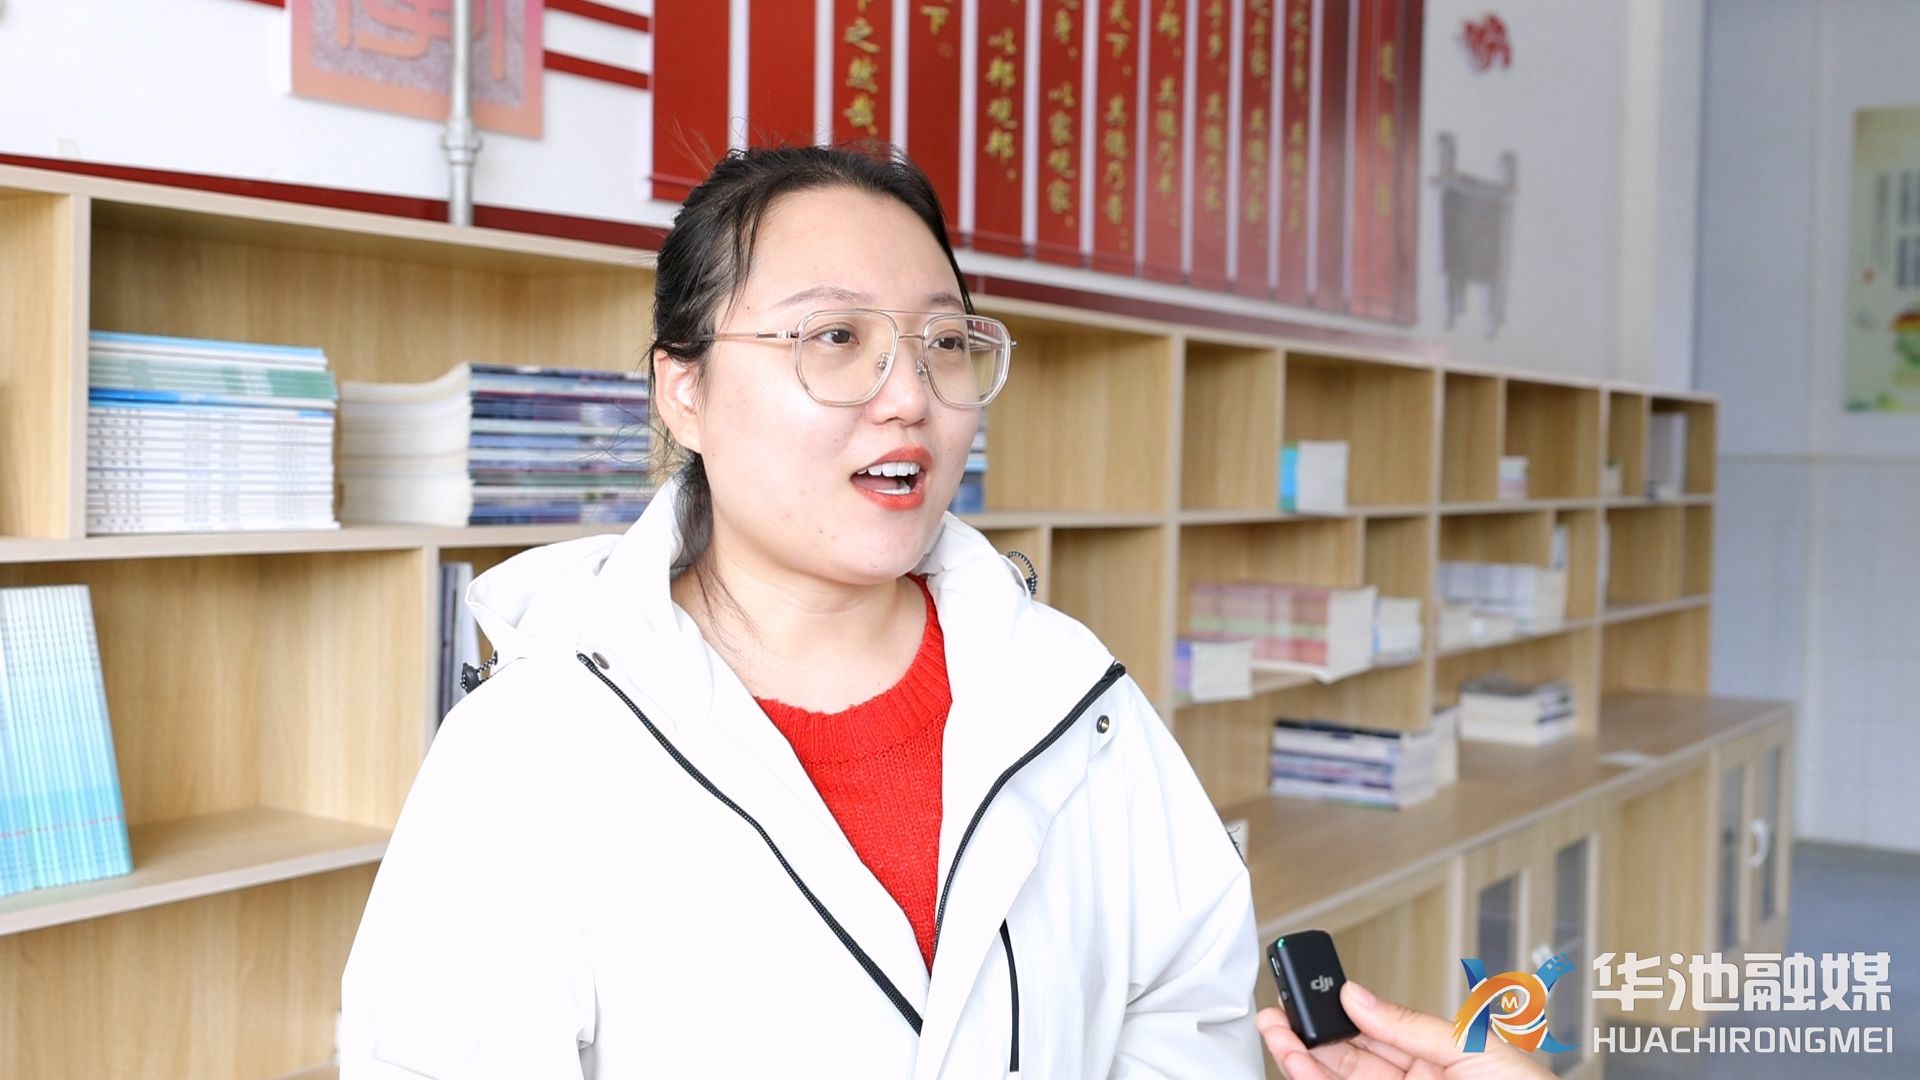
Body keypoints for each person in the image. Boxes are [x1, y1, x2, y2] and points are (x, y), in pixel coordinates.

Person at [337, 143, 1551, 1080]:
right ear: (683, 389)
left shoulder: (1071, 698)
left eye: (944, 342)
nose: (909, 396)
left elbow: (1185, 1019)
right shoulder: (530, 752)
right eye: (835, 337)